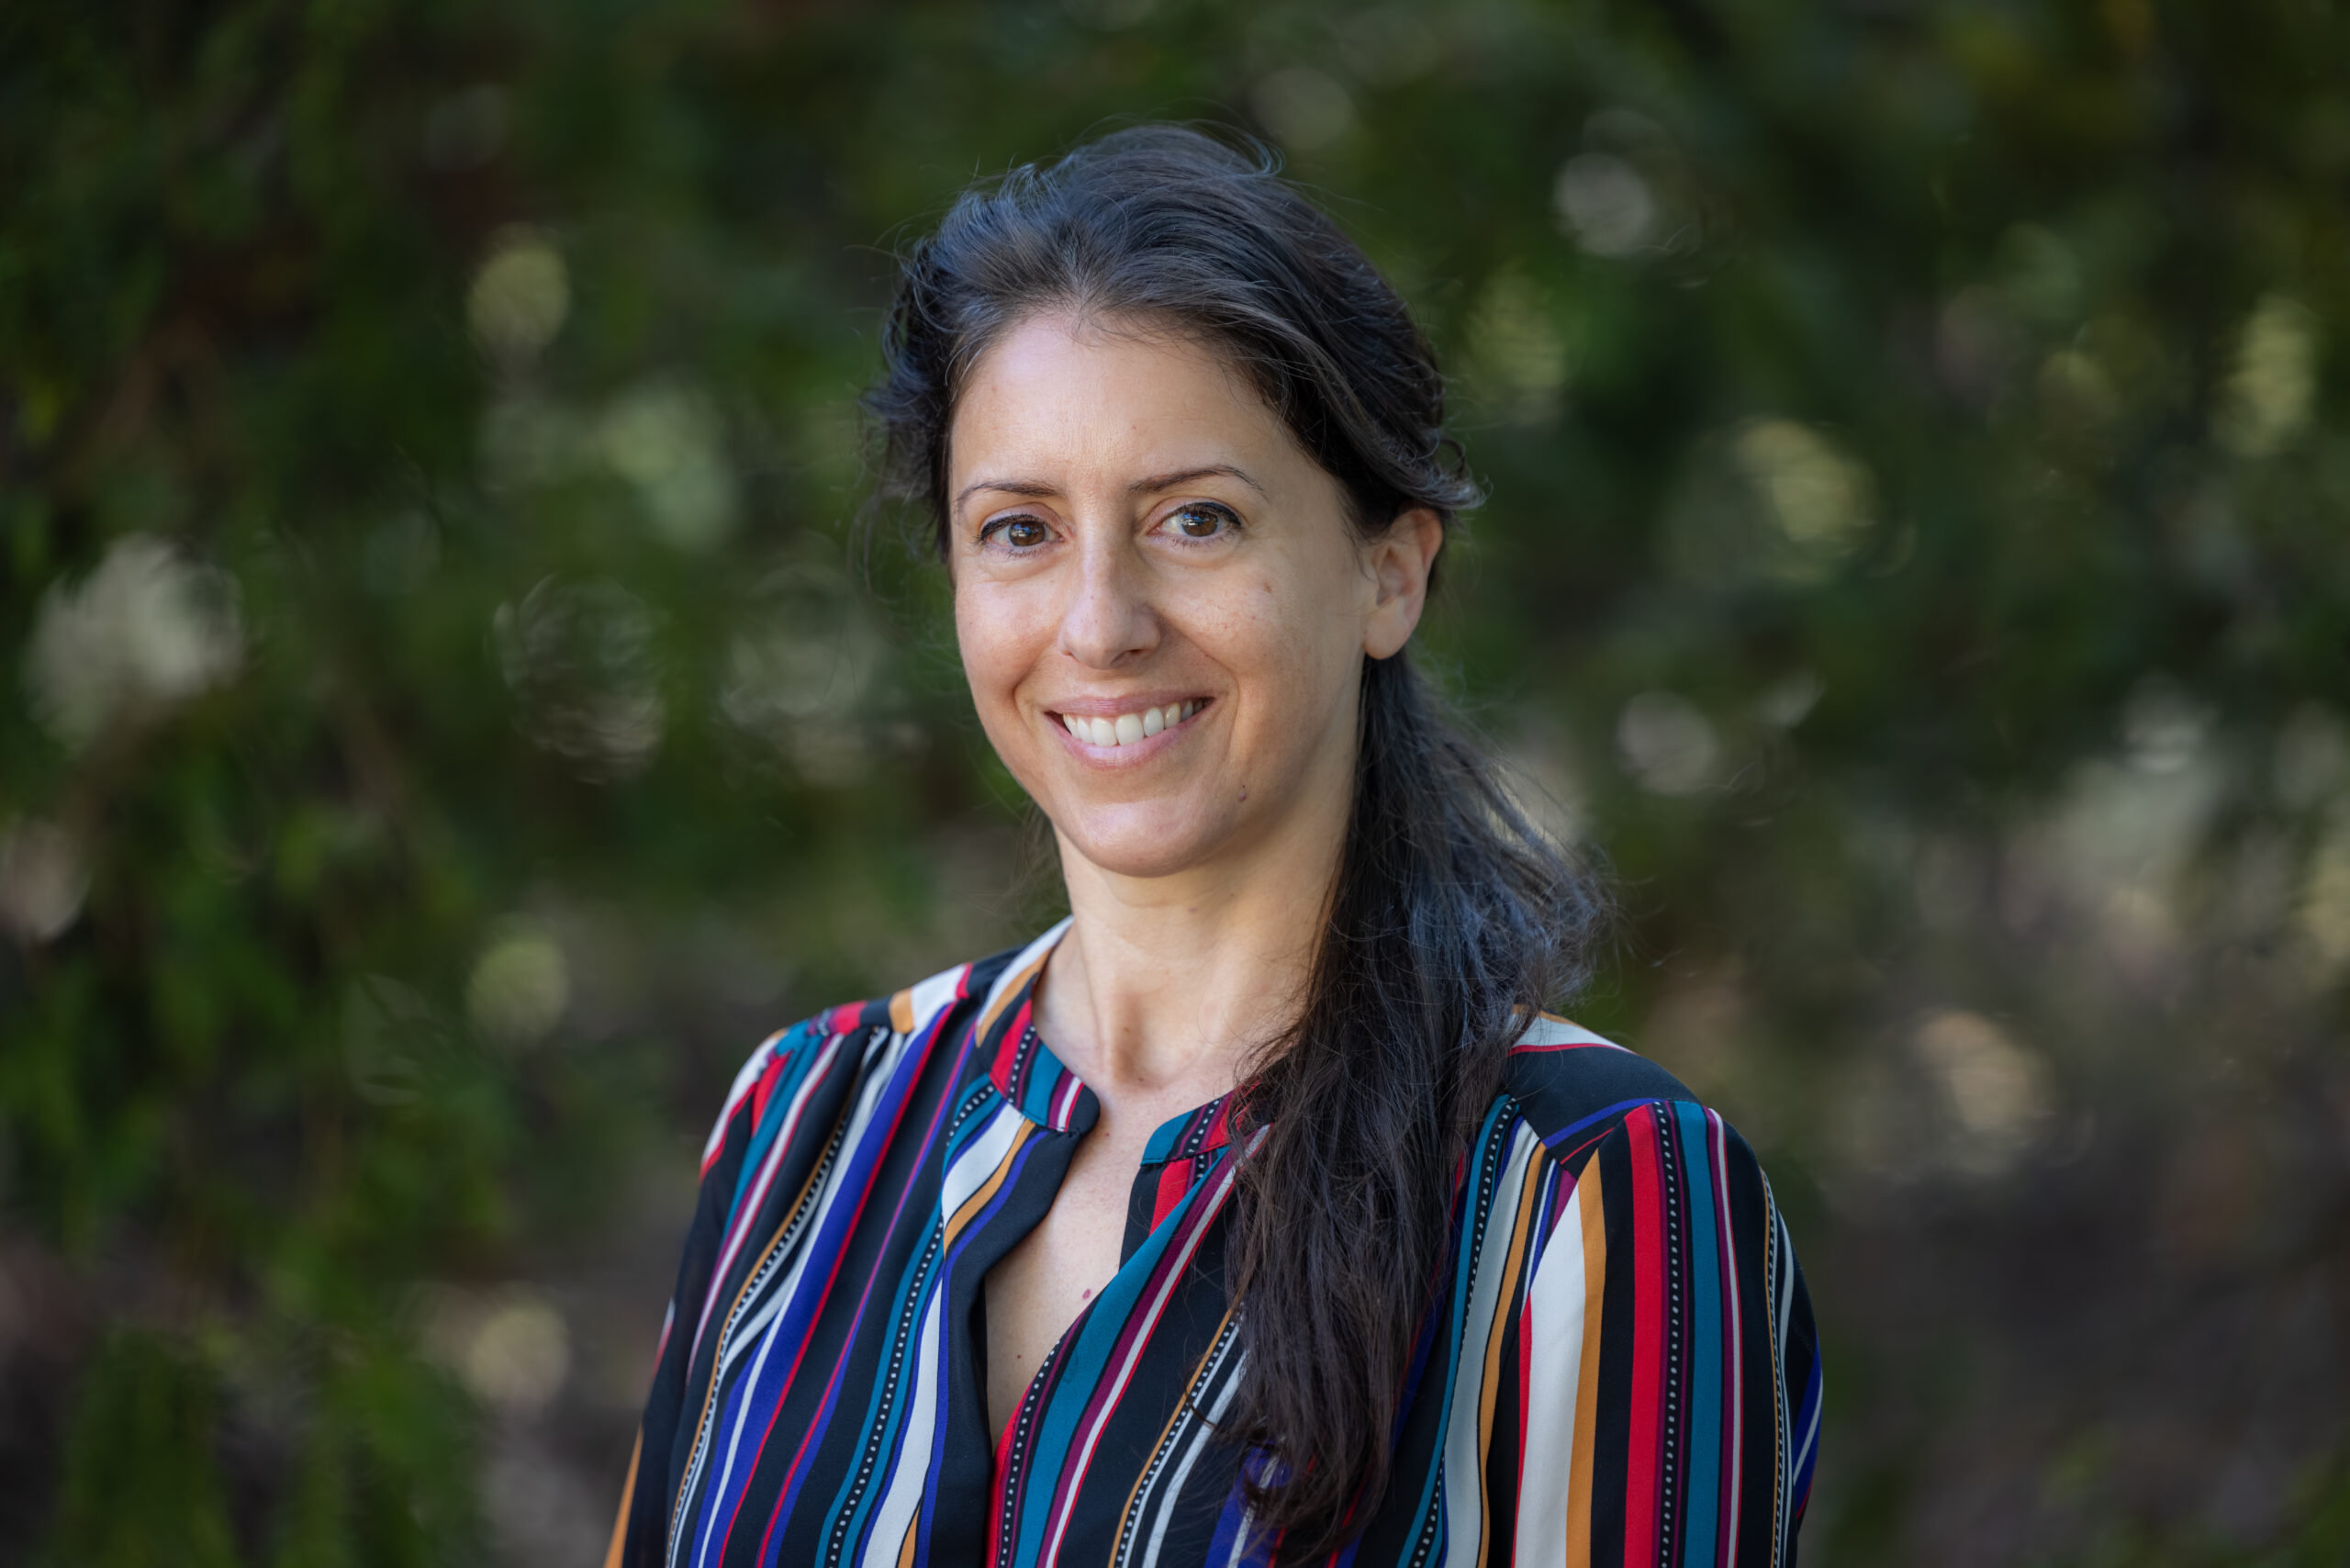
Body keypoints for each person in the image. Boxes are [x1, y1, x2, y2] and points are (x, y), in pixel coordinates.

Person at [605, 125, 1820, 1568]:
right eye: (1019, 532)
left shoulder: (1591, 1191)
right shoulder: (801, 1126)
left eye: (1195, 519)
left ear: (1388, 573)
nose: (1100, 622)